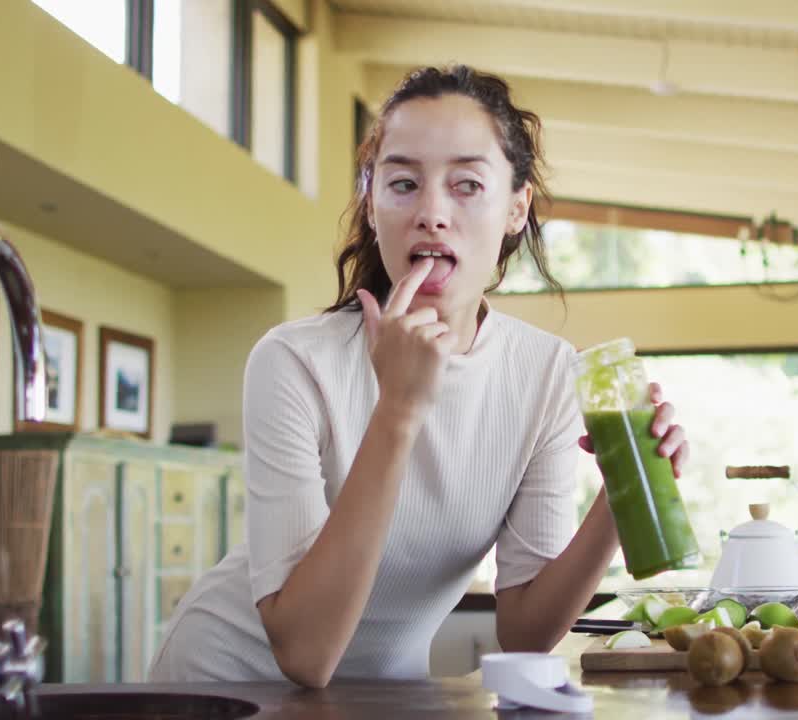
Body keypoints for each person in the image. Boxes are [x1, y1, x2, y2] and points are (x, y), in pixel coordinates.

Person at [148, 65, 690, 687]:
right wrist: (398, 413)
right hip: (223, 686)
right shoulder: (294, 362)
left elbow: (526, 629)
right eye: (403, 183)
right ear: (373, 207)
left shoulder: (545, 374)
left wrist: (621, 498)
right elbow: (303, 654)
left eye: (466, 185)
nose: (432, 212)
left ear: (517, 208)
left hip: (386, 697)